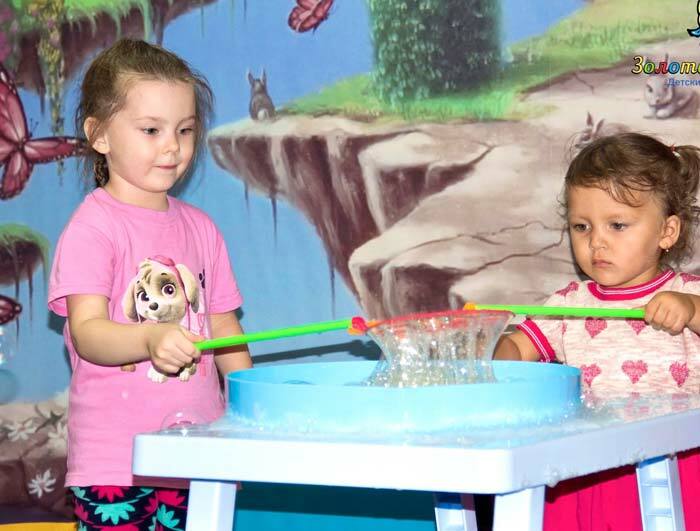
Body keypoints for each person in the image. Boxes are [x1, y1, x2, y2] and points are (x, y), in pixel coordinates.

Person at [48, 38, 252, 530]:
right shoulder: (93, 227)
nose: (172, 146)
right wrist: (148, 337)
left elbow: (225, 328)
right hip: (117, 463)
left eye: (185, 129)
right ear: (99, 134)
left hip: (201, 457)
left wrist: (255, 404)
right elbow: (88, 333)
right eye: (151, 130)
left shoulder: (203, 228)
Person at [495, 132, 700, 531]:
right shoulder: (568, 304)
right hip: (586, 470)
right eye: (581, 226)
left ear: (667, 231)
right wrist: (489, 351)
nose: (596, 242)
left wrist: (691, 310)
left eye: (617, 225)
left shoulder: (688, 293)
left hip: (678, 468)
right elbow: (517, 350)